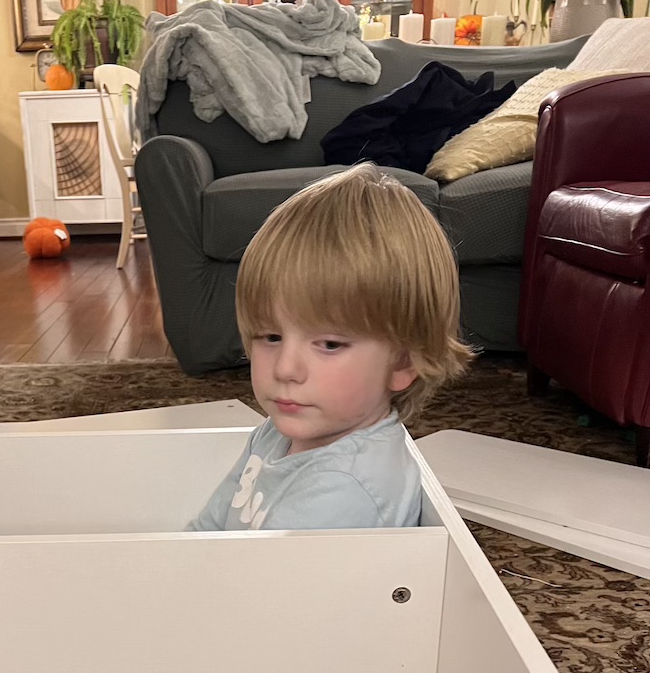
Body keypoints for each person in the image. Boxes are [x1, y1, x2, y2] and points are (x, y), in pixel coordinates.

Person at [186, 162, 471, 532]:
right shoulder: (281, 429)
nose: (285, 369)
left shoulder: (344, 493)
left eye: (330, 344)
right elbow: (210, 525)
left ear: (403, 361)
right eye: (271, 337)